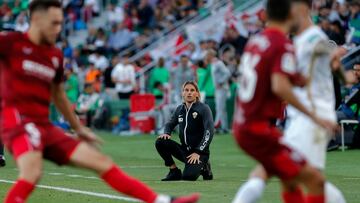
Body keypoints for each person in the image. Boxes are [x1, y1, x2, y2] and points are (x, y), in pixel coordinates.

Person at [0, 1, 199, 203]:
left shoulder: (54, 55)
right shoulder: (11, 43)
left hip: (45, 127)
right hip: (18, 122)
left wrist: (78, 128)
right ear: (35, 19)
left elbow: (59, 94)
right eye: (53, 23)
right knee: (31, 173)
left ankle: (162, 201)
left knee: (101, 162)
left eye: (60, 23)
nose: (58, 29)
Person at [232, 1, 346, 203]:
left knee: (283, 177)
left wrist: (326, 66)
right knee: (314, 180)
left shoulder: (255, 42)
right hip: (259, 129)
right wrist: (315, 117)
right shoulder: (281, 44)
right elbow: (280, 86)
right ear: (292, 14)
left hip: (243, 124)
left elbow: (291, 78)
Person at [155, 81, 214, 181]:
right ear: (183, 93)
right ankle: (174, 171)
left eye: (192, 90)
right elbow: (170, 123)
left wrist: (198, 151)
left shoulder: (204, 108)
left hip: (200, 153)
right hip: (185, 150)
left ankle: (205, 167)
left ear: (197, 93)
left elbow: (209, 131)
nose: (189, 93)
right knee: (160, 142)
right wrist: (166, 133)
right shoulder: (180, 109)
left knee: (188, 177)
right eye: (186, 90)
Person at [205, 49, 231, 133]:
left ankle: (217, 125)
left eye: (207, 55)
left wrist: (221, 82)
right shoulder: (213, 64)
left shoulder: (218, 63)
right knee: (220, 108)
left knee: (220, 107)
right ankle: (224, 127)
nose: (206, 57)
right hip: (217, 89)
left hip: (222, 88)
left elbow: (227, 73)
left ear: (210, 55)